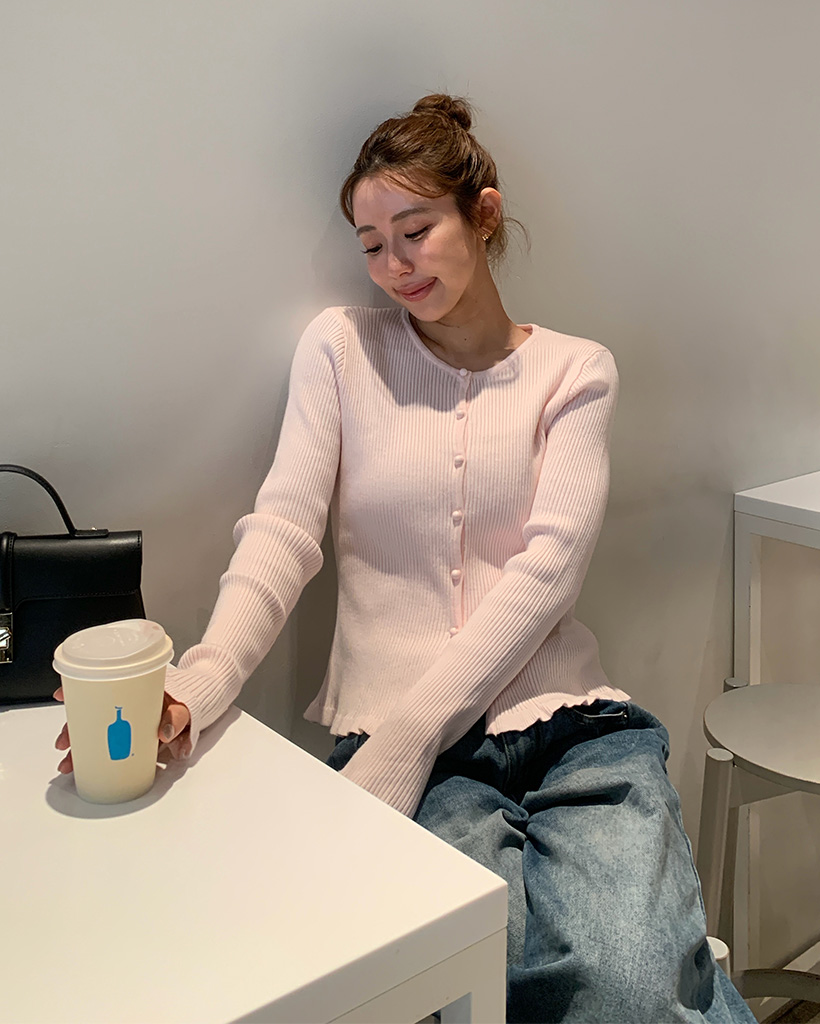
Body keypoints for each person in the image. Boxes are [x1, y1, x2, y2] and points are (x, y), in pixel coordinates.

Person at [54, 93, 755, 1024]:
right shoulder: (342, 348)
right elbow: (283, 531)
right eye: (371, 243)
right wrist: (197, 682)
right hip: (408, 755)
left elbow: (548, 573)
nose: (394, 265)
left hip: (571, 732)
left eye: (416, 231)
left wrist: (411, 733)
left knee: (624, 983)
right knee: (507, 986)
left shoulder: (576, 370)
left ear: (484, 215)